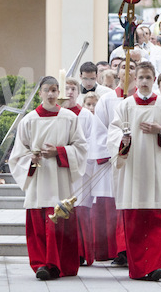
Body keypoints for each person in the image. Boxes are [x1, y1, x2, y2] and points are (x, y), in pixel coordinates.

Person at [107, 61, 161, 281]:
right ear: (135, 80)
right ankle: (140, 268)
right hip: (132, 170)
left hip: (157, 169)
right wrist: (122, 141)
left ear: (154, 80)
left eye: (148, 78)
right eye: (140, 77)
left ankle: (156, 266)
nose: (143, 82)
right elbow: (112, 135)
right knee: (134, 222)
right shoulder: (124, 106)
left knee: (158, 219)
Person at [8, 76, 88, 281]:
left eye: (54, 90)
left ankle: (60, 264)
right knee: (39, 224)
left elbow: (81, 148)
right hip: (39, 180)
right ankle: (42, 264)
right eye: (47, 90)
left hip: (60, 179)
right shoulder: (29, 120)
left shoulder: (69, 118)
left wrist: (59, 152)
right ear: (40, 93)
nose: (51, 94)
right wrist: (31, 158)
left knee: (59, 222)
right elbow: (17, 155)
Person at [92, 59, 138, 265]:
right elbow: (100, 130)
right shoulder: (107, 100)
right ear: (117, 73)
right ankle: (121, 249)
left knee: (136, 205)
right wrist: (115, 150)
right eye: (123, 68)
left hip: (139, 162)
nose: (127, 72)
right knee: (119, 206)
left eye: (132, 68)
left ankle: (135, 248)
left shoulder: (144, 100)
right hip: (116, 160)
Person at [61, 78, 103, 267]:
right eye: (66, 88)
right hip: (60, 169)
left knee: (80, 211)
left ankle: (82, 252)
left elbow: (90, 142)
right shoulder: (57, 115)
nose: (69, 92)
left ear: (78, 93)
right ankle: (66, 251)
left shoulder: (86, 115)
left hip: (80, 169)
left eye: (73, 89)